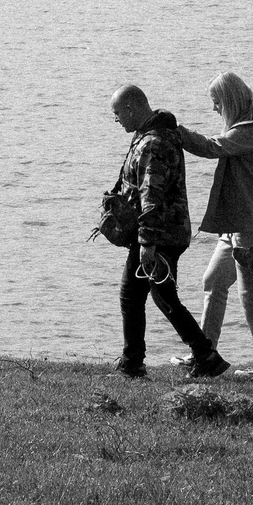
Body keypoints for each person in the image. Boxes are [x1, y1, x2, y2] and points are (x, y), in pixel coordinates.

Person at [104, 83, 227, 381]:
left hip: (159, 235)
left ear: (132, 108)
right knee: (161, 296)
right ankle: (205, 356)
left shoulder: (152, 144)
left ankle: (134, 363)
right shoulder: (150, 136)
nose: (117, 120)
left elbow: (152, 196)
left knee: (134, 296)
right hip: (166, 232)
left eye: (118, 113)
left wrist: (147, 242)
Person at [175, 72, 253, 363]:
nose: (214, 109)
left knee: (250, 295)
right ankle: (204, 351)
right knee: (213, 280)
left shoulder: (252, 131)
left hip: (252, 225)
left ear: (229, 101)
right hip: (236, 223)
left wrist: (176, 131)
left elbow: (213, 147)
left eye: (216, 103)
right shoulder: (249, 127)